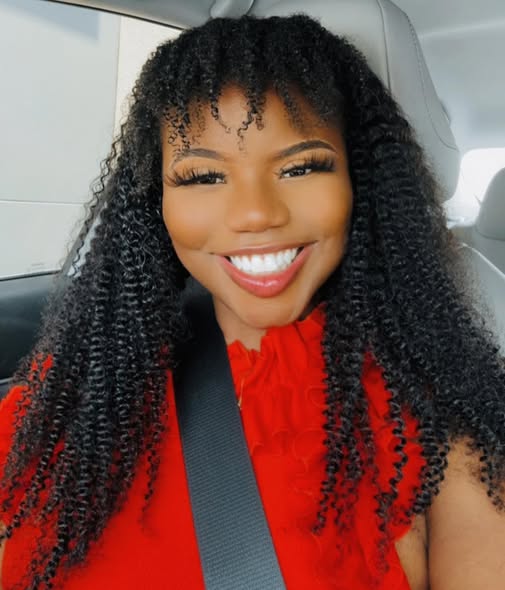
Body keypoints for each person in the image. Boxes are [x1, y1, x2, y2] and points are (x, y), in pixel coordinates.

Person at [1, 12, 504, 590]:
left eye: (301, 166)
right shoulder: (76, 390)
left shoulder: (444, 416)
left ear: (357, 181)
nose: (255, 213)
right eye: (202, 177)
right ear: (155, 198)